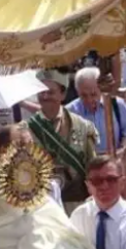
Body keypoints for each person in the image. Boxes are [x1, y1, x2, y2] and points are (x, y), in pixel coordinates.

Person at [26, 69, 98, 211]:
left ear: (63, 94)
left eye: (50, 92)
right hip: (42, 207)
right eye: (41, 92)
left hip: (77, 205)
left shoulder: (83, 126)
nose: (45, 96)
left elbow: (92, 167)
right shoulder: (25, 130)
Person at [66, 66, 126, 156]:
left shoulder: (117, 105)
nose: (89, 100)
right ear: (77, 92)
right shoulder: (70, 111)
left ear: (101, 89)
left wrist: (119, 153)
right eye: (84, 95)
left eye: (93, 94)